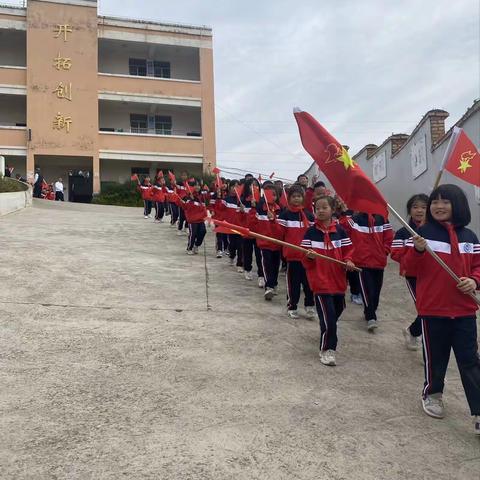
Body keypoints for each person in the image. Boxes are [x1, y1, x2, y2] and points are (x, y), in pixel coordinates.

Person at [405, 184, 480, 435]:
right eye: (434, 202)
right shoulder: (423, 234)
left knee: (470, 361)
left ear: (458, 205)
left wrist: (474, 280)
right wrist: (416, 250)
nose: (438, 206)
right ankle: (433, 393)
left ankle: (478, 411)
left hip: (464, 310)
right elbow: (408, 268)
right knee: (436, 358)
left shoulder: (470, 236)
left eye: (445, 201)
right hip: (433, 310)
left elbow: (478, 267)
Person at [301, 195, 356, 366]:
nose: (320, 211)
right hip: (320, 282)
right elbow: (303, 255)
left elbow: (348, 250)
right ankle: (327, 349)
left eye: (324, 207)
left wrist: (348, 260)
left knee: (338, 310)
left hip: (338, 281)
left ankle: (326, 327)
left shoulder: (340, 231)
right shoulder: (310, 232)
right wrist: (309, 256)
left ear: (333, 210)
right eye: (317, 208)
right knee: (330, 319)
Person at [342, 210, 394, 331]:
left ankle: (370, 310)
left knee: (376, 292)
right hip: (361, 263)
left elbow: (388, 238)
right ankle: (371, 316)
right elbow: (346, 236)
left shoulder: (383, 219)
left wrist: (384, 251)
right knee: (367, 290)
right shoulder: (354, 220)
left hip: (378, 262)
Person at [390, 193, 428, 350]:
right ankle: (420, 338)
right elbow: (395, 254)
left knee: (430, 309)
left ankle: (412, 331)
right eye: (415, 207)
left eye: (424, 207)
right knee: (424, 309)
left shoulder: (435, 230)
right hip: (413, 275)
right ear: (409, 210)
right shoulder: (403, 233)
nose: (419, 210)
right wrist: (412, 248)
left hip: (433, 275)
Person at [273, 185, 315, 319]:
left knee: (309, 284)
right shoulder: (285, 214)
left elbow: (314, 234)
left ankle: (309, 306)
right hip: (293, 256)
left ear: (303, 198)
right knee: (293, 284)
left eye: (299, 196)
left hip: (308, 256)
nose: (296, 199)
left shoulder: (309, 215)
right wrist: (272, 220)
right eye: (294, 196)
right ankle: (292, 306)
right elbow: (279, 233)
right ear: (289, 198)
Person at [248, 184, 281, 300]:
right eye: (268, 195)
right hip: (264, 243)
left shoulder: (280, 211)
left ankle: (274, 283)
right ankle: (269, 287)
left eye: (274, 195)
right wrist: (252, 209)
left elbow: (282, 229)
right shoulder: (259, 209)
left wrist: (274, 219)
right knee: (266, 264)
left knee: (275, 266)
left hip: (277, 244)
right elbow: (252, 224)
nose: (271, 197)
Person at [239, 178, 264, 282]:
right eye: (251, 185)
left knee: (259, 255)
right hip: (247, 232)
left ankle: (261, 275)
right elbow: (240, 219)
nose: (254, 187)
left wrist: (255, 207)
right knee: (247, 252)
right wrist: (241, 211)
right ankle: (247, 270)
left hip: (258, 233)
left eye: (256, 185)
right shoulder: (243, 201)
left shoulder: (262, 202)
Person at [181, 181, 208, 255]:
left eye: (198, 185)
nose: (197, 187)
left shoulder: (202, 196)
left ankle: (196, 245)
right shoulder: (188, 196)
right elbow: (186, 207)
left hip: (201, 219)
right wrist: (191, 200)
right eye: (195, 185)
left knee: (203, 231)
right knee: (193, 234)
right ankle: (189, 248)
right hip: (193, 220)